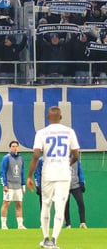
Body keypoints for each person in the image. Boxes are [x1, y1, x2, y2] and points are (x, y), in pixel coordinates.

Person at [26, 106, 80, 249]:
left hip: (48, 173)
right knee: (60, 208)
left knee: (46, 205)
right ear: (61, 117)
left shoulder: (41, 133)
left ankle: (45, 238)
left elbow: (36, 155)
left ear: (47, 117)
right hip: (63, 174)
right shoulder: (69, 132)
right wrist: (67, 163)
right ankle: (54, 240)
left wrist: (29, 176)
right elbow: (76, 155)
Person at [0, 140, 26, 230]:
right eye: (13, 146)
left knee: (19, 204)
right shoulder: (6, 158)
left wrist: (23, 185)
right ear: (10, 148)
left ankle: (20, 225)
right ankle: (3, 225)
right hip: (9, 185)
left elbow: (22, 172)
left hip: (18, 186)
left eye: (16, 146)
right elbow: (2, 172)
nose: (15, 148)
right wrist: (4, 185)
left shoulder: (21, 159)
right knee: (6, 203)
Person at [63, 158, 86, 229]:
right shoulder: (61, 159)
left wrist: (82, 182)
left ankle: (82, 223)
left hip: (76, 185)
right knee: (66, 205)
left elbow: (80, 171)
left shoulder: (76, 159)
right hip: (65, 185)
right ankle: (68, 224)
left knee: (80, 202)